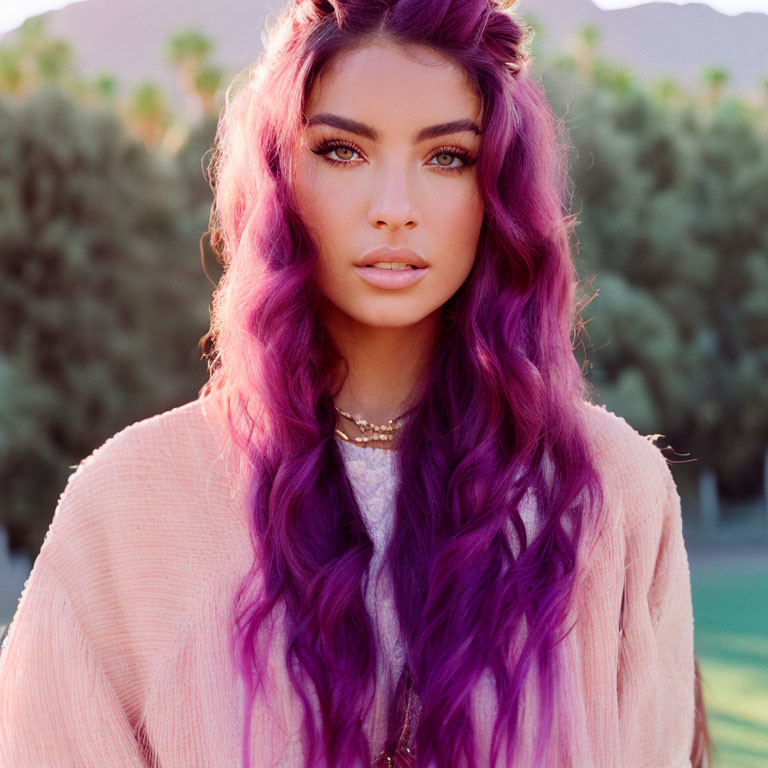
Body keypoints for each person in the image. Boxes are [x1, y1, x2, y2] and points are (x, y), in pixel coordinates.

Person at [0, 0, 711, 766]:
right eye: (342, 151)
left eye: (448, 157)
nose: (394, 210)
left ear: (497, 188)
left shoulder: (609, 491)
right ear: (281, 179)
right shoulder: (130, 505)